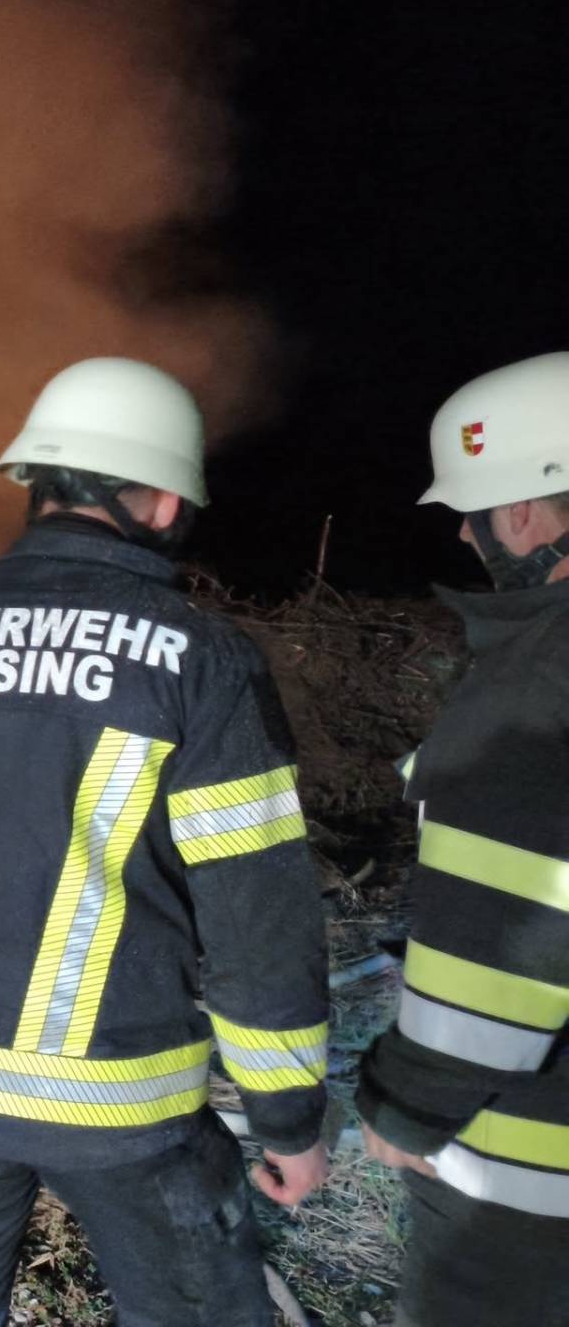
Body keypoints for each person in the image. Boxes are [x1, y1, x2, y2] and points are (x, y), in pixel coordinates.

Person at [0, 356, 330, 1327]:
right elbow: (258, 922)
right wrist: (287, 1118)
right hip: (126, 1112)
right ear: (154, 494)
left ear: (44, 483)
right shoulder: (200, 661)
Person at [356, 353, 569, 1326]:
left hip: (529, 1196)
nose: (463, 528)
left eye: (474, 508)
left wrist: (405, 1110)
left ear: (525, 515)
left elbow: (499, 942)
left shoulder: (534, 687)